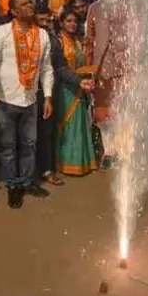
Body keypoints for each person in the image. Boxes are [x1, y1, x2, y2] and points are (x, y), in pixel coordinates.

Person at [0, 0, 54, 209]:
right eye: (23, 4)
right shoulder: (0, 34)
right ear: (13, 11)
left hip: (30, 100)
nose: (29, 5)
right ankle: (13, 185)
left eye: (29, 2)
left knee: (30, 144)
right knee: (8, 146)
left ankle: (27, 181)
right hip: (5, 100)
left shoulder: (42, 35)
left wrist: (47, 96)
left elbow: (46, 68)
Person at [86, 0, 128, 169]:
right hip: (101, 69)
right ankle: (109, 150)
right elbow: (89, 40)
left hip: (126, 68)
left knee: (123, 110)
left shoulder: (131, 6)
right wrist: (88, 70)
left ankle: (123, 149)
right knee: (103, 113)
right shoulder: (94, 8)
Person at [54, 10, 97, 176]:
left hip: (80, 86)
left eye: (75, 21)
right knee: (69, 125)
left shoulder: (78, 41)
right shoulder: (58, 41)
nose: (72, 24)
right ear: (62, 23)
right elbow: (60, 68)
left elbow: (84, 62)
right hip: (64, 89)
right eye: (68, 21)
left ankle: (82, 162)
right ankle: (66, 163)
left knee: (81, 123)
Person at [34, 4, 64, 185]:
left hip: (47, 93)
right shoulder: (24, 38)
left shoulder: (53, 40)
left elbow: (60, 66)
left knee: (47, 132)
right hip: (24, 94)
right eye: (41, 20)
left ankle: (46, 169)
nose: (45, 23)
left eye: (47, 20)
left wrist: (78, 80)